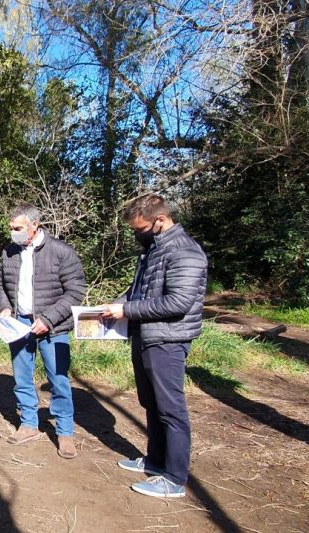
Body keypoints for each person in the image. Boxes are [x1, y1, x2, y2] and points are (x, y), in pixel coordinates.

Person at [101, 193, 207, 499]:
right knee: (152, 404)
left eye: (140, 228)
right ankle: (156, 461)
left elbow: (178, 302)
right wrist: (117, 305)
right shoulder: (153, 251)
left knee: (171, 409)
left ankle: (174, 478)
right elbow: (138, 293)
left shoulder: (185, 252)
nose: (137, 234)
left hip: (168, 340)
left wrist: (127, 311)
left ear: (160, 220)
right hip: (146, 336)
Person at [0, 204, 86, 459]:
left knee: (58, 378)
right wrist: (4, 308)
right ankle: (29, 424)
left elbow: (76, 292)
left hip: (53, 326)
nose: (13, 233)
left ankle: (65, 432)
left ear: (34, 226)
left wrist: (48, 319)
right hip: (18, 324)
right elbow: (1, 283)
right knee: (22, 376)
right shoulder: (9, 251)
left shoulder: (61, 252)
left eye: (18, 228)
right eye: (11, 228)